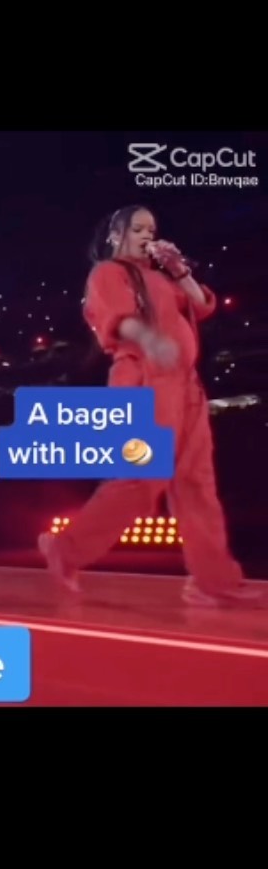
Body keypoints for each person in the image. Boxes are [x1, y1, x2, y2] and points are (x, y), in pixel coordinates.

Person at [38, 204, 261, 607]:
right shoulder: (108, 272)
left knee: (197, 484)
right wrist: (150, 339)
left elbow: (202, 305)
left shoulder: (161, 277)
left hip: (186, 387)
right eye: (138, 229)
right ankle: (65, 550)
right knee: (141, 482)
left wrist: (181, 272)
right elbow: (117, 318)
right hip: (142, 383)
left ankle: (213, 581)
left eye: (151, 230)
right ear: (115, 234)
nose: (146, 236)